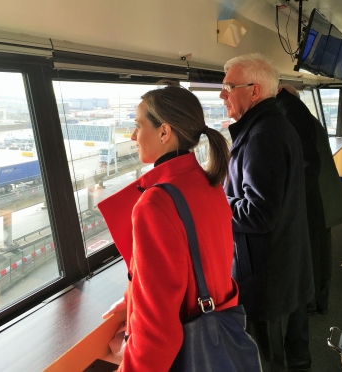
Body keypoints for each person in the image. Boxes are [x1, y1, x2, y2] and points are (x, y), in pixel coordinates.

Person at [98, 82, 239, 372]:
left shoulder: (156, 203)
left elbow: (157, 331)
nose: (134, 136)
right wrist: (132, 299)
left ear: (164, 132)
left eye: (139, 126)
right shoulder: (207, 183)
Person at [220, 53, 314, 372]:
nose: (222, 94)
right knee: (288, 351)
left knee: (267, 358)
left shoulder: (264, 136)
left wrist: (217, 203)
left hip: (266, 273)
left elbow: (259, 214)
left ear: (254, 91)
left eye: (229, 86)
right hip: (280, 263)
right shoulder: (270, 126)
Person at [276, 84, 342, 315]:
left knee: (316, 253)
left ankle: (316, 302)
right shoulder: (307, 118)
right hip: (326, 193)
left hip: (317, 197)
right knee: (321, 252)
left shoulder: (292, 118)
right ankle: (320, 300)